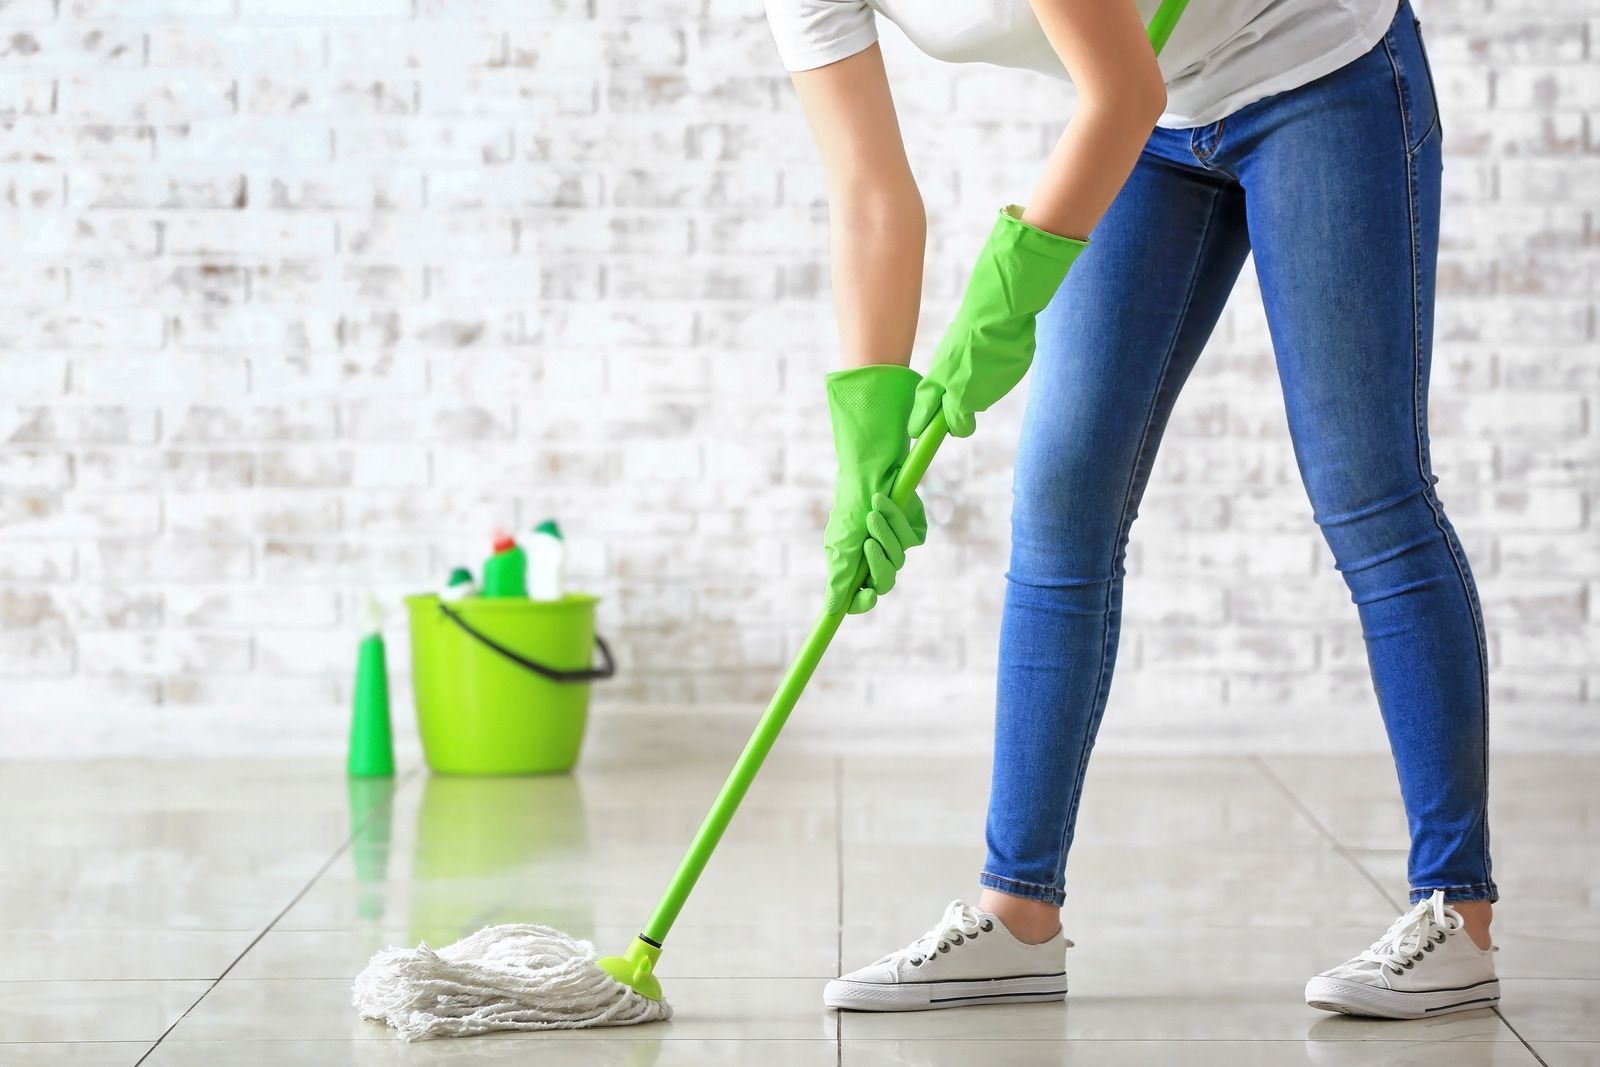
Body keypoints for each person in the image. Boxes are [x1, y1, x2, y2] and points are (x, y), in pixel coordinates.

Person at [767, 0, 1499, 1021]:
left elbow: (1118, 88)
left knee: (1365, 488)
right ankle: (1018, 912)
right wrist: (865, 432)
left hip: (1317, 68)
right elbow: (869, 196)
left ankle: (1455, 910)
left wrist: (1005, 295)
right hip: (1154, 126)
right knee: (1063, 497)